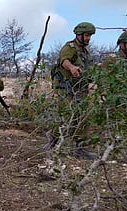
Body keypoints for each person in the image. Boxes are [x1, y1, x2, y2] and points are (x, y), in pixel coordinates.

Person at [47, 22, 97, 159]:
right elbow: (65, 61)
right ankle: (52, 144)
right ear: (78, 35)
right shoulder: (69, 47)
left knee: (83, 117)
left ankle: (80, 148)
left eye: (90, 36)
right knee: (65, 116)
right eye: (86, 35)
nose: (88, 38)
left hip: (80, 89)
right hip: (66, 89)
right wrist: (72, 68)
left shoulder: (85, 52)